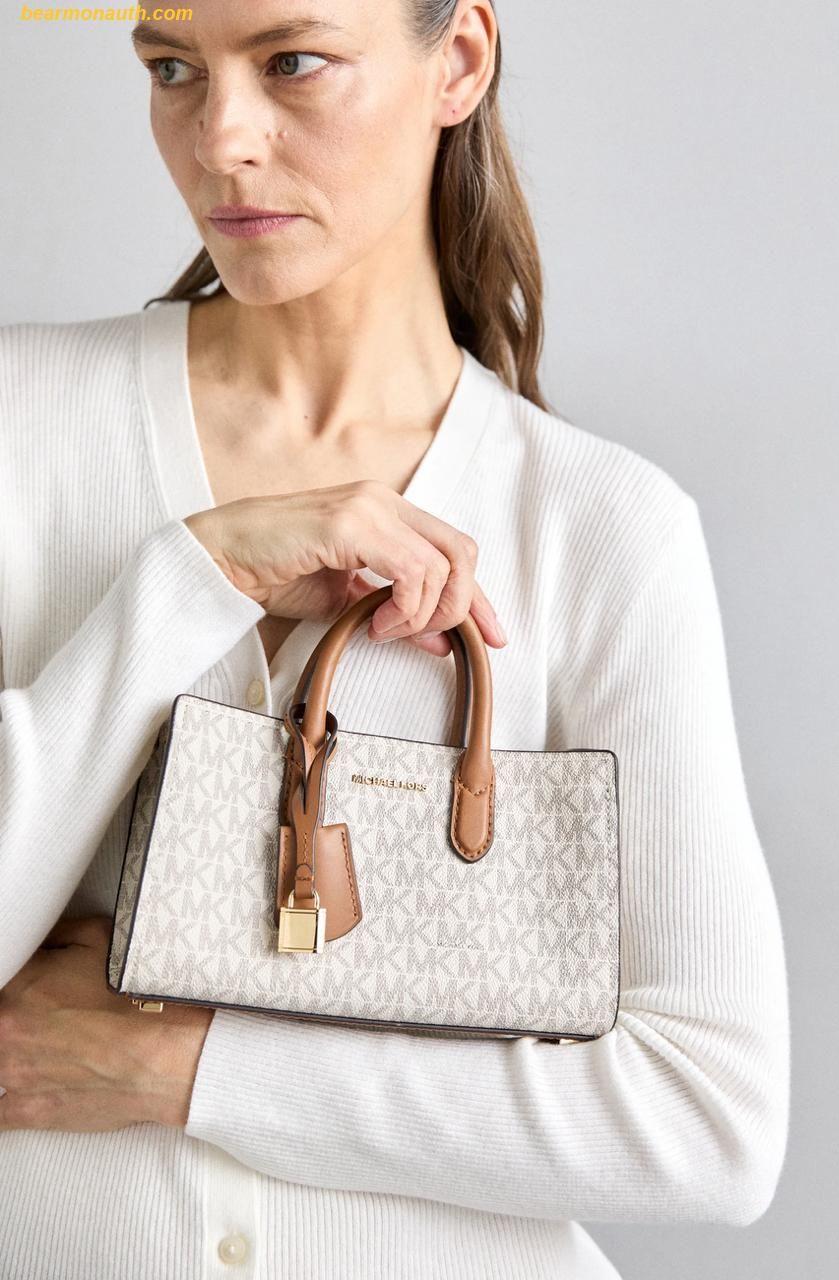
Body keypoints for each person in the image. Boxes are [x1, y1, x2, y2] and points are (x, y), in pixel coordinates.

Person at [0, 2, 790, 1278]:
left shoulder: (597, 526)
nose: (221, 138)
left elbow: (709, 1120)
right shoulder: (19, 429)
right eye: (173, 68)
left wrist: (188, 1070)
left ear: (458, 61)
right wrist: (188, 580)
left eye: (293, 62)